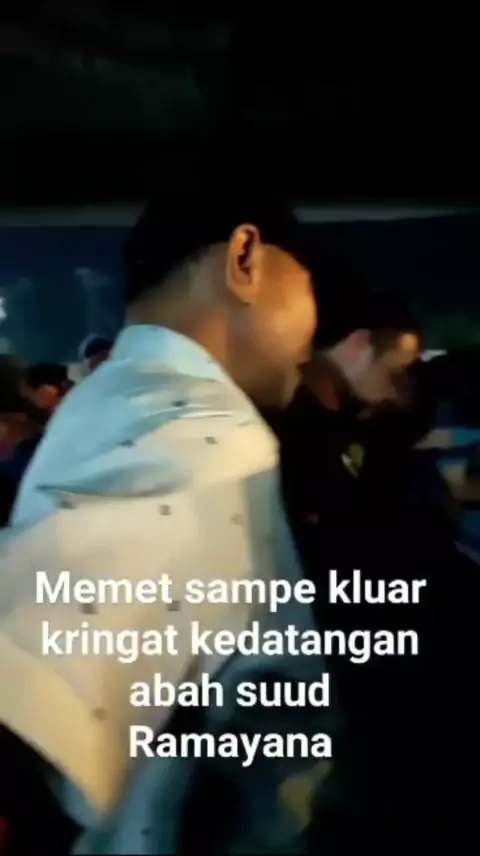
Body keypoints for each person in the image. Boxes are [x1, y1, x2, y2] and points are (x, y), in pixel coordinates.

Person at [0, 188, 339, 854]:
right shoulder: (200, 428)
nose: (315, 327)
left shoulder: (107, 400)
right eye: (308, 287)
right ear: (245, 257)